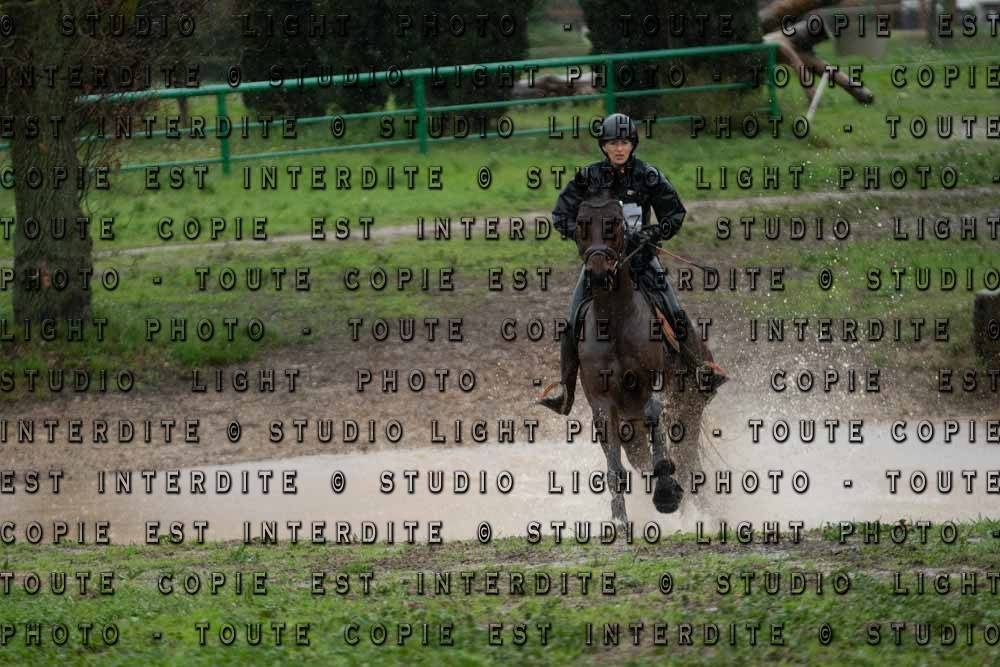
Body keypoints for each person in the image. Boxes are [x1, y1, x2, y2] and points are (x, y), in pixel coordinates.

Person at [536, 113, 728, 416]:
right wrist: (588, 240)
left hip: (641, 261)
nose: (619, 148)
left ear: (633, 145)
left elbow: (675, 214)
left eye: (624, 142)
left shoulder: (648, 176)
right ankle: (565, 391)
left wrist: (653, 232)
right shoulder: (588, 178)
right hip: (601, 265)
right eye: (612, 143)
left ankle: (700, 370)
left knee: (674, 310)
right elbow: (561, 215)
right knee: (572, 321)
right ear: (603, 146)